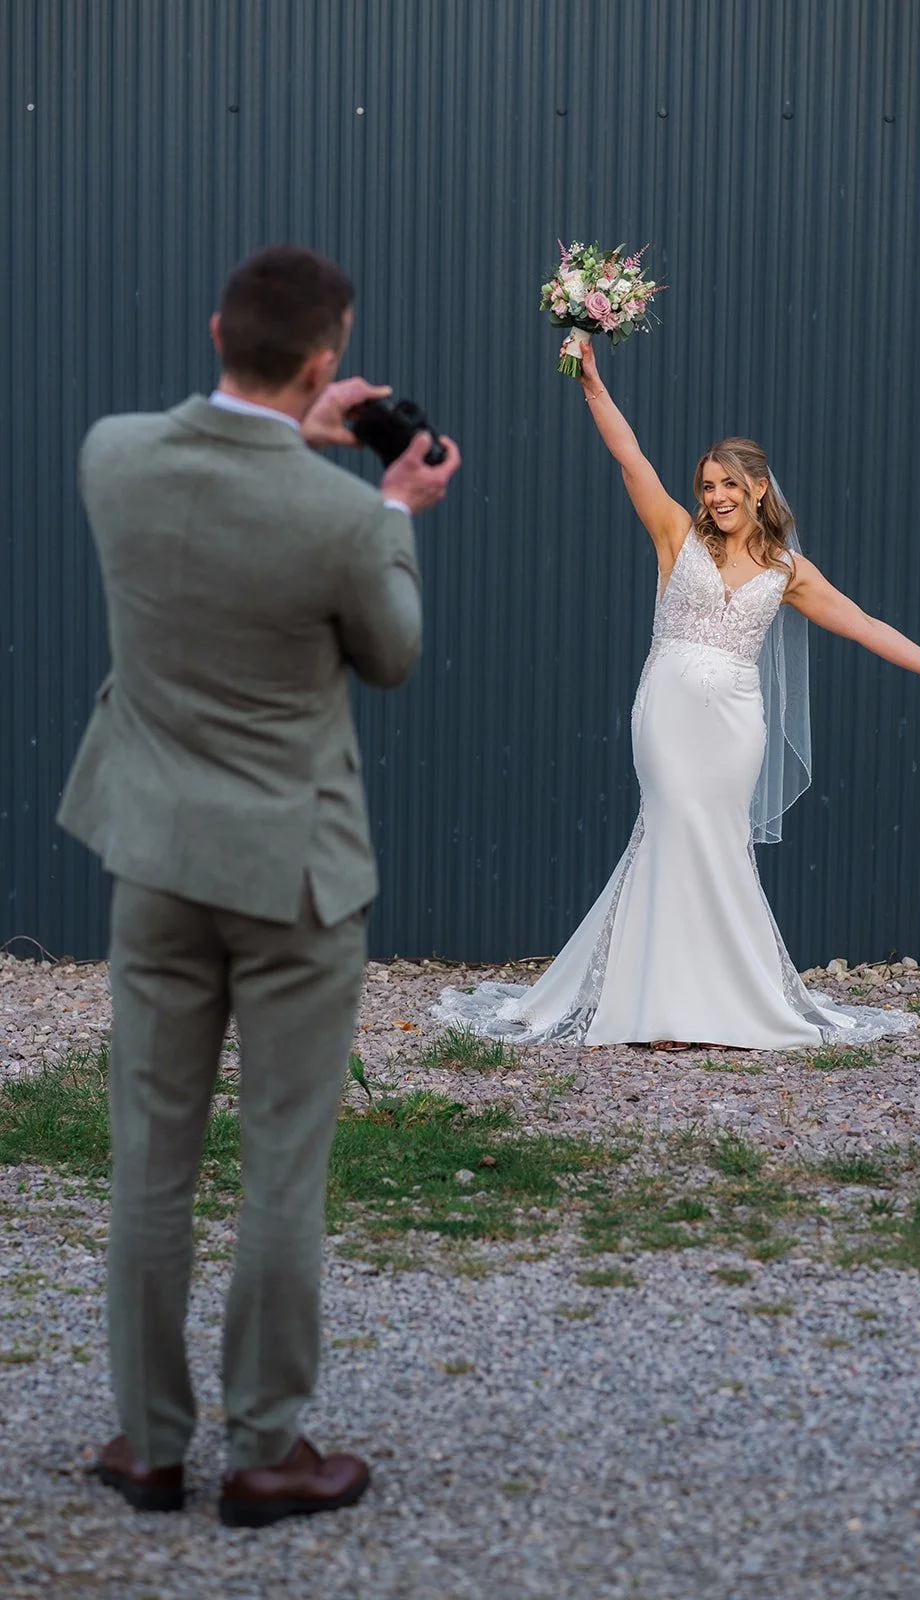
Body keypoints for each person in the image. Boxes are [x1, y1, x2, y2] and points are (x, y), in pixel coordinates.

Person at [57, 246, 460, 1526]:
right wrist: (389, 504)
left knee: (149, 1163)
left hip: (157, 859)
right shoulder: (344, 517)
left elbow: (219, 494)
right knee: (281, 1167)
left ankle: (150, 1443)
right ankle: (267, 1452)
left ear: (216, 324)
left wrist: (298, 437)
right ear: (328, 363)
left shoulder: (111, 455)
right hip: (291, 874)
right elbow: (388, 656)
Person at [437, 337, 920, 1050]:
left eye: (728, 484)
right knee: (671, 824)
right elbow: (629, 458)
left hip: (736, 723)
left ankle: (724, 1001)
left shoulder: (788, 569)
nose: (716, 497)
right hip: (666, 708)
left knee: (719, 841)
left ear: (758, 488)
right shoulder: (676, 535)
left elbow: (863, 624)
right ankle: (654, 1006)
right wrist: (592, 384)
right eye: (706, 485)